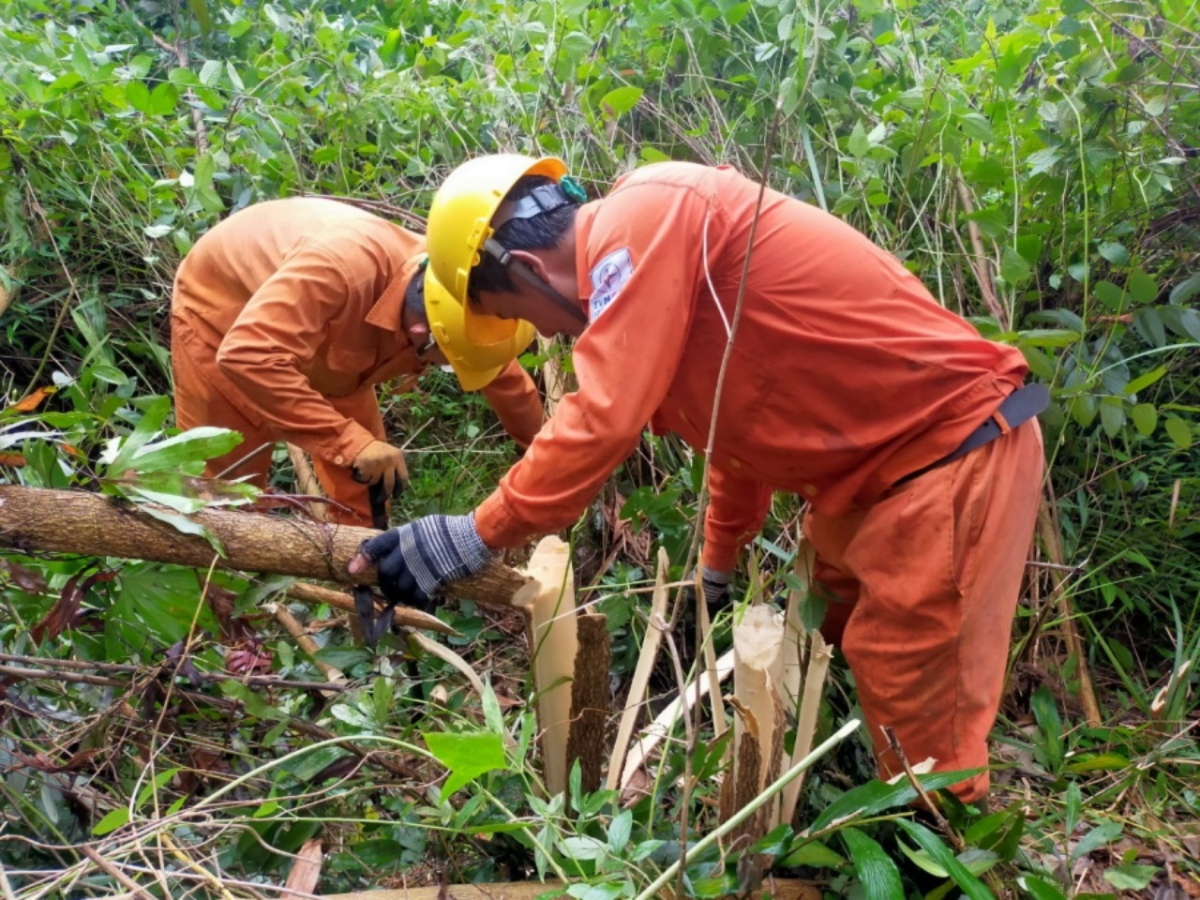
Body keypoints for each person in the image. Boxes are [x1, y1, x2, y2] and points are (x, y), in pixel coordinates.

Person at [350, 155, 1047, 805]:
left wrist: (473, 535)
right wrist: (716, 567)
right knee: (821, 633)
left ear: (530, 269)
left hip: (951, 455)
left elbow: (602, 417)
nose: (547, 334)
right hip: (864, 488)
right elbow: (733, 440)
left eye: (519, 316)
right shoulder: (661, 278)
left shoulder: (648, 214)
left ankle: (946, 854)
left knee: (914, 700)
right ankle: (842, 795)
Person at [171, 197, 543, 526]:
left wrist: (541, 457)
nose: (433, 369)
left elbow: (504, 379)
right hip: (224, 319)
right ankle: (228, 594)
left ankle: (356, 575)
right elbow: (247, 355)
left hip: (334, 353)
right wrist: (349, 443)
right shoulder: (342, 268)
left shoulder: (466, 303)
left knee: (365, 488)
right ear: (420, 330)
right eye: (441, 362)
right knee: (229, 493)